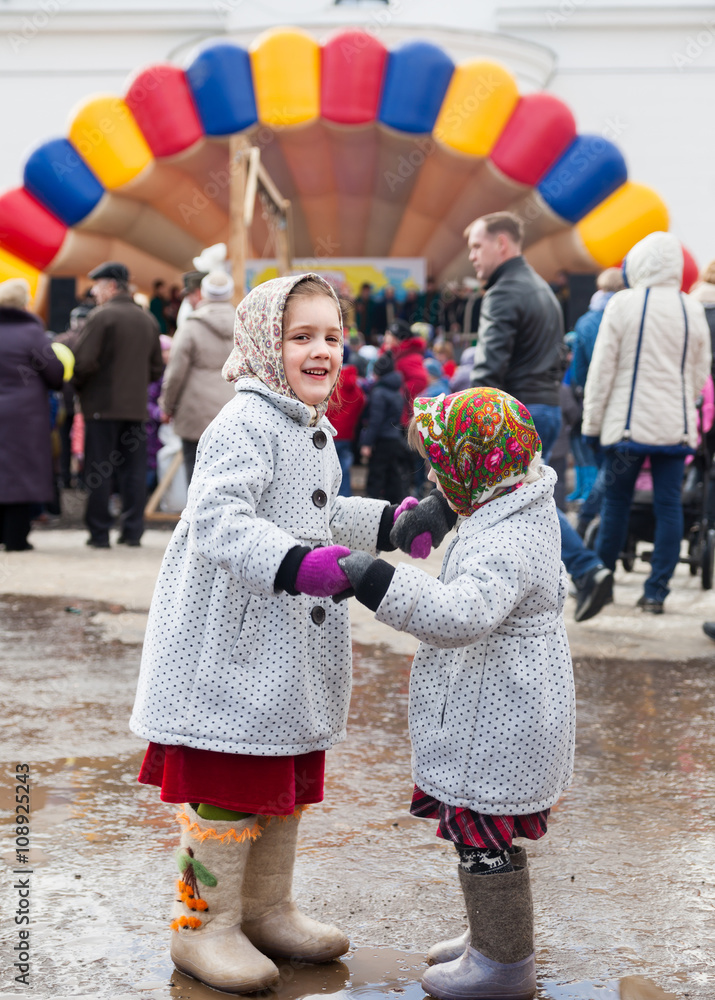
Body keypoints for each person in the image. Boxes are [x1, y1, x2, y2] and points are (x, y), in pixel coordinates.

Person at [129, 273, 403, 994]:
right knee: (228, 781)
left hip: (288, 639)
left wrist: (388, 523)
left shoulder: (308, 425)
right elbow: (219, 519)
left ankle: (263, 908)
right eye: (300, 337)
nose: (320, 352)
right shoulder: (244, 422)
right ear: (261, 345)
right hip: (236, 638)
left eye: (331, 337)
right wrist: (295, 564)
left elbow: (322, 509)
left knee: (278, 771)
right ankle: (199, 925)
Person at [337, 387, 575, 1000]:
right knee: (484, 834)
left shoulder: (507, 538)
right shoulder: (518, 503)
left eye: (441, 468)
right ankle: (491, 941)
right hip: (502, 705)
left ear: (479, 464)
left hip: (499, 718)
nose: (435, 480)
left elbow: (460, 615)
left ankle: (502, 964)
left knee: (482, 836)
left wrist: (379, 583)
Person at [466, 211, 613, 622]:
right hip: (543, 408)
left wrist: (462, 420)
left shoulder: (504, 292)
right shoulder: (541, 288)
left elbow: (487, 370)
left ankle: (585, 570)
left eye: (478, 246)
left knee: (520, 500)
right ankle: (584, 572)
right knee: (532, 499)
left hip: (518, 412)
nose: (473, 257)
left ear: (502, 244)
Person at [582, 231, 711, 613]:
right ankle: (656, 592)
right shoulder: (691, 308)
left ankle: (602, 577)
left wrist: (592, 423)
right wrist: (684, 406)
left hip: (626, 428)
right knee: (669, 507)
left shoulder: (623, 304)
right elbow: (700, 372)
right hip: (675, 429)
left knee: (616, 503)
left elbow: (602, 370)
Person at [72, 261, 163, 548]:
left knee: (99, 469)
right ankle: (132, 532)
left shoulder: (102, 317)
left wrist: (79, 386)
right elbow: (157, 368)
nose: (94, 293)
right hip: (136, 409)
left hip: (102, 407)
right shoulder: (147, 319)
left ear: (111, 286)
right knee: (133, 472)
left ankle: (99, 533)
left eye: (97, 287)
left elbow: (83, 362)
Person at [0, 278, 64, 550]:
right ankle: (16, 539)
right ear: (25, 302)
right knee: (20, 474)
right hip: (24, 417)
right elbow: (55, 374)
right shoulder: (32, 332)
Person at [159, 270, 236, 484]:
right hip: (234, 410)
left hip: (195, 413)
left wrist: (167, 407)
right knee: (229, 473)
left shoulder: (190, 326)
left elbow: (175, 374)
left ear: (203, 292)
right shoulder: (243, 324)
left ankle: (197, 517)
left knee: (195, 472)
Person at [361, 352, 411, 502]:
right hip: (394, 438)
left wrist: (367, 443)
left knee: (376, 476)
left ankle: (371, 508)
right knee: (393, 476)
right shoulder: (397, 391)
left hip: (382, 440)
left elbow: (375, 421)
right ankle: (397, 509)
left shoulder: (379, 392)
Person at [327, 363, 365, 497]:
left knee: (329, 467)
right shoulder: (358, 393)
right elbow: (361, 407)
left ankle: (331, 494)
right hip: (348, 436)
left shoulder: (334, 390)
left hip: (332, 434)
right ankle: (344, 495)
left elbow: (327, 411)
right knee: (345, 467)